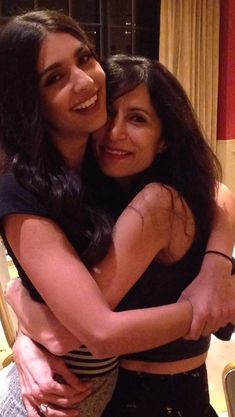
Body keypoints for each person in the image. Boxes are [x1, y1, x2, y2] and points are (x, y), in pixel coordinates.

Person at [0, 9, 234, 417]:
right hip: (70, 400)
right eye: (54, 78)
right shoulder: (49, 189)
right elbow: (81, 329)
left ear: (166, 138)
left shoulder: (130, 187)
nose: (84, 80)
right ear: (30, 101)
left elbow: (217, 191)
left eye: (85, 58)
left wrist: (215, 268)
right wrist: (22, 321)